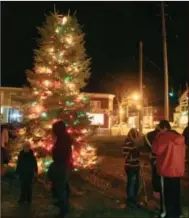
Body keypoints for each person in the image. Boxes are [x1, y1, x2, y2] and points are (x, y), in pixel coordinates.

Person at [152, 120, 186, 218]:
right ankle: (177, 214)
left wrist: (157, 137)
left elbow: (156, 150)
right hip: (177, 171)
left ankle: (166, 214)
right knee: (175, 193)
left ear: (164, 128)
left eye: (160, 129)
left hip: (166, 170)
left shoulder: (164, 137)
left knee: (165, 195)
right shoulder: (179, 137)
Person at [51, 120, 73, 217]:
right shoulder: (63, 138)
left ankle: (64, 209)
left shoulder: (62, 140)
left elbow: (60, 154)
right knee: (63, 185)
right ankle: (64, 205)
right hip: (63, 165)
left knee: (61, 187)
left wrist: (54, 153)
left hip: (62, 165)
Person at [122, 128, 141, 208]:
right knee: (131, 183)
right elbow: (126, 155)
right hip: (130, 167)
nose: (137, 139)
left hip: (136, 166)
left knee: (136, 183)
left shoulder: (134, 144)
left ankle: (134, 198)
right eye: (136, 137)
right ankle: (130, 200)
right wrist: (134, 149)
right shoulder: (128, 143)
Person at [144, 125, 161, 196]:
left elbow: (146, 146)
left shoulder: (148, 135)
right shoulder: (161, 135)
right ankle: (161, 189)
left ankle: (155, 190)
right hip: (160, 157)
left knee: (154, 173)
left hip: (152, 156)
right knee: (161, 173)